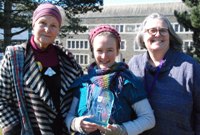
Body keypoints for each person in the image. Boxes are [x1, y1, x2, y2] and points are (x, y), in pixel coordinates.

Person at [0, 3, 82, 135]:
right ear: (33, 25)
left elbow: (81, 93)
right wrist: (13, 128)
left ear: (58, 30)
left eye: (53, 25)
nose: (47, 29)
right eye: (42, 23)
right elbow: (2, 98)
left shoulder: (68, 59)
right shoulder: (15, 57)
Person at [65, 25, 155, 135]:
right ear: (92, 52)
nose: (104, 56)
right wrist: (77, 124)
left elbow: (148, 119)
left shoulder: (128, 82)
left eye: (110, 50)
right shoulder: (83, 84)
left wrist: (122, 130)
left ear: (117, 51)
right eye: (99, 50)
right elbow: (68, 117)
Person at [128, 12, 200, 135]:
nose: (157, 34)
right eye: (152, 30)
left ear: (170, 35)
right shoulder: (134, 64)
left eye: (163, 30)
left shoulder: (188, 67)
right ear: (142, 36)